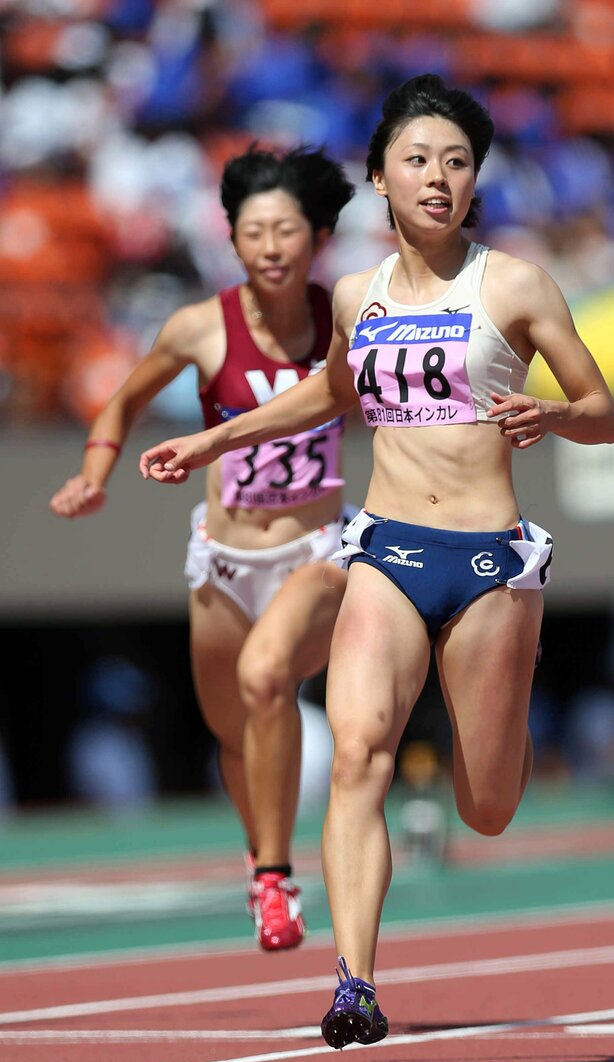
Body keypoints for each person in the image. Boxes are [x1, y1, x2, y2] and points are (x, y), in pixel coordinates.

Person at [138, 74, 614, 1046]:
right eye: (419, 160)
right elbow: (325, 397)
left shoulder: (516, 283)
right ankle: (354, 980)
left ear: (474, 181)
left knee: (484, 809)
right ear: (379, 178)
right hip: (388, 548)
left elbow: (603, 411)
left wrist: (555, 412)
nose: (439, 176)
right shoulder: (356, 296)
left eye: (457, 161)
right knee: (358, 753)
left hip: (488, 559)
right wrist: (212, 441)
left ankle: (507, 710)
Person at [51, 143, 355, 951]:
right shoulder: (198, 326)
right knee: (233, 734)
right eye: (253, 231)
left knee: (267, 682)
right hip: (223, 559)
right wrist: (93, 474)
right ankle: (266, 859)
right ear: (232, 238)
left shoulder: (349, 316)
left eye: (285, 230)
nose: (269, 247)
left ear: (317, 235)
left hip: (316, 547)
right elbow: (120, 401)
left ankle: (273, 877)